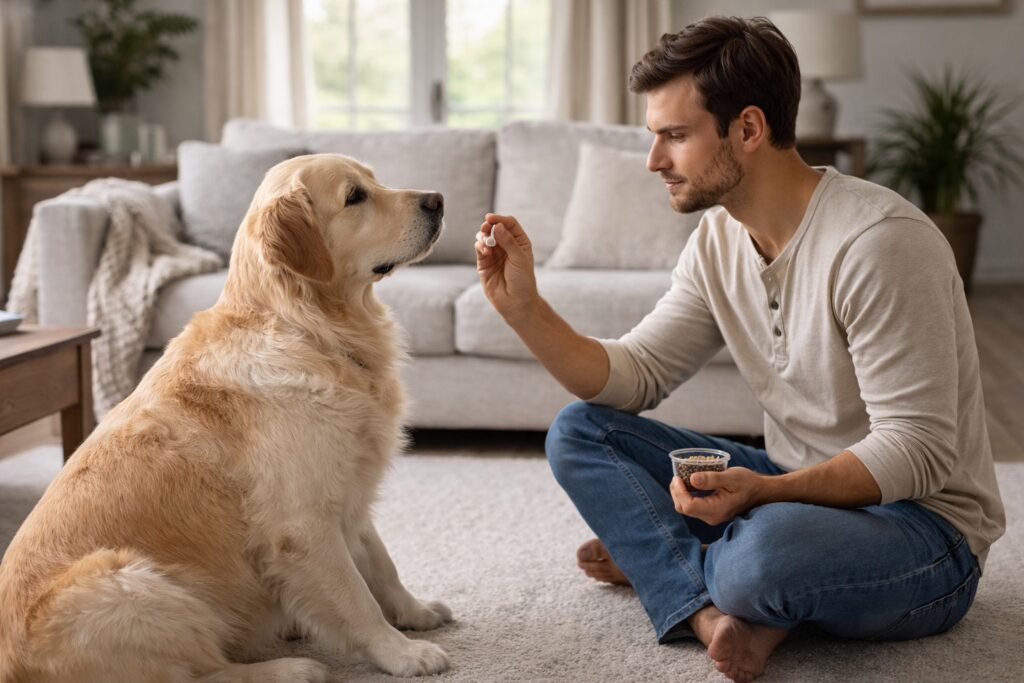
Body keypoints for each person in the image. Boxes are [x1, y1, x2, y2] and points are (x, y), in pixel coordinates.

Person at [472, 15, 1005, 683]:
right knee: (579, 430)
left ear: (748, 129)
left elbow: (918, 452)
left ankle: (673, 568)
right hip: (795, 486)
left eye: (674, 135)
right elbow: (636, 377)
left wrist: (759, 495)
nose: (653, 160)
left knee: (760, 559)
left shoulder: (879, 243)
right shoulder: (719, 242)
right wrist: (525, 310)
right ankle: (711, 612)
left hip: (923, 531)